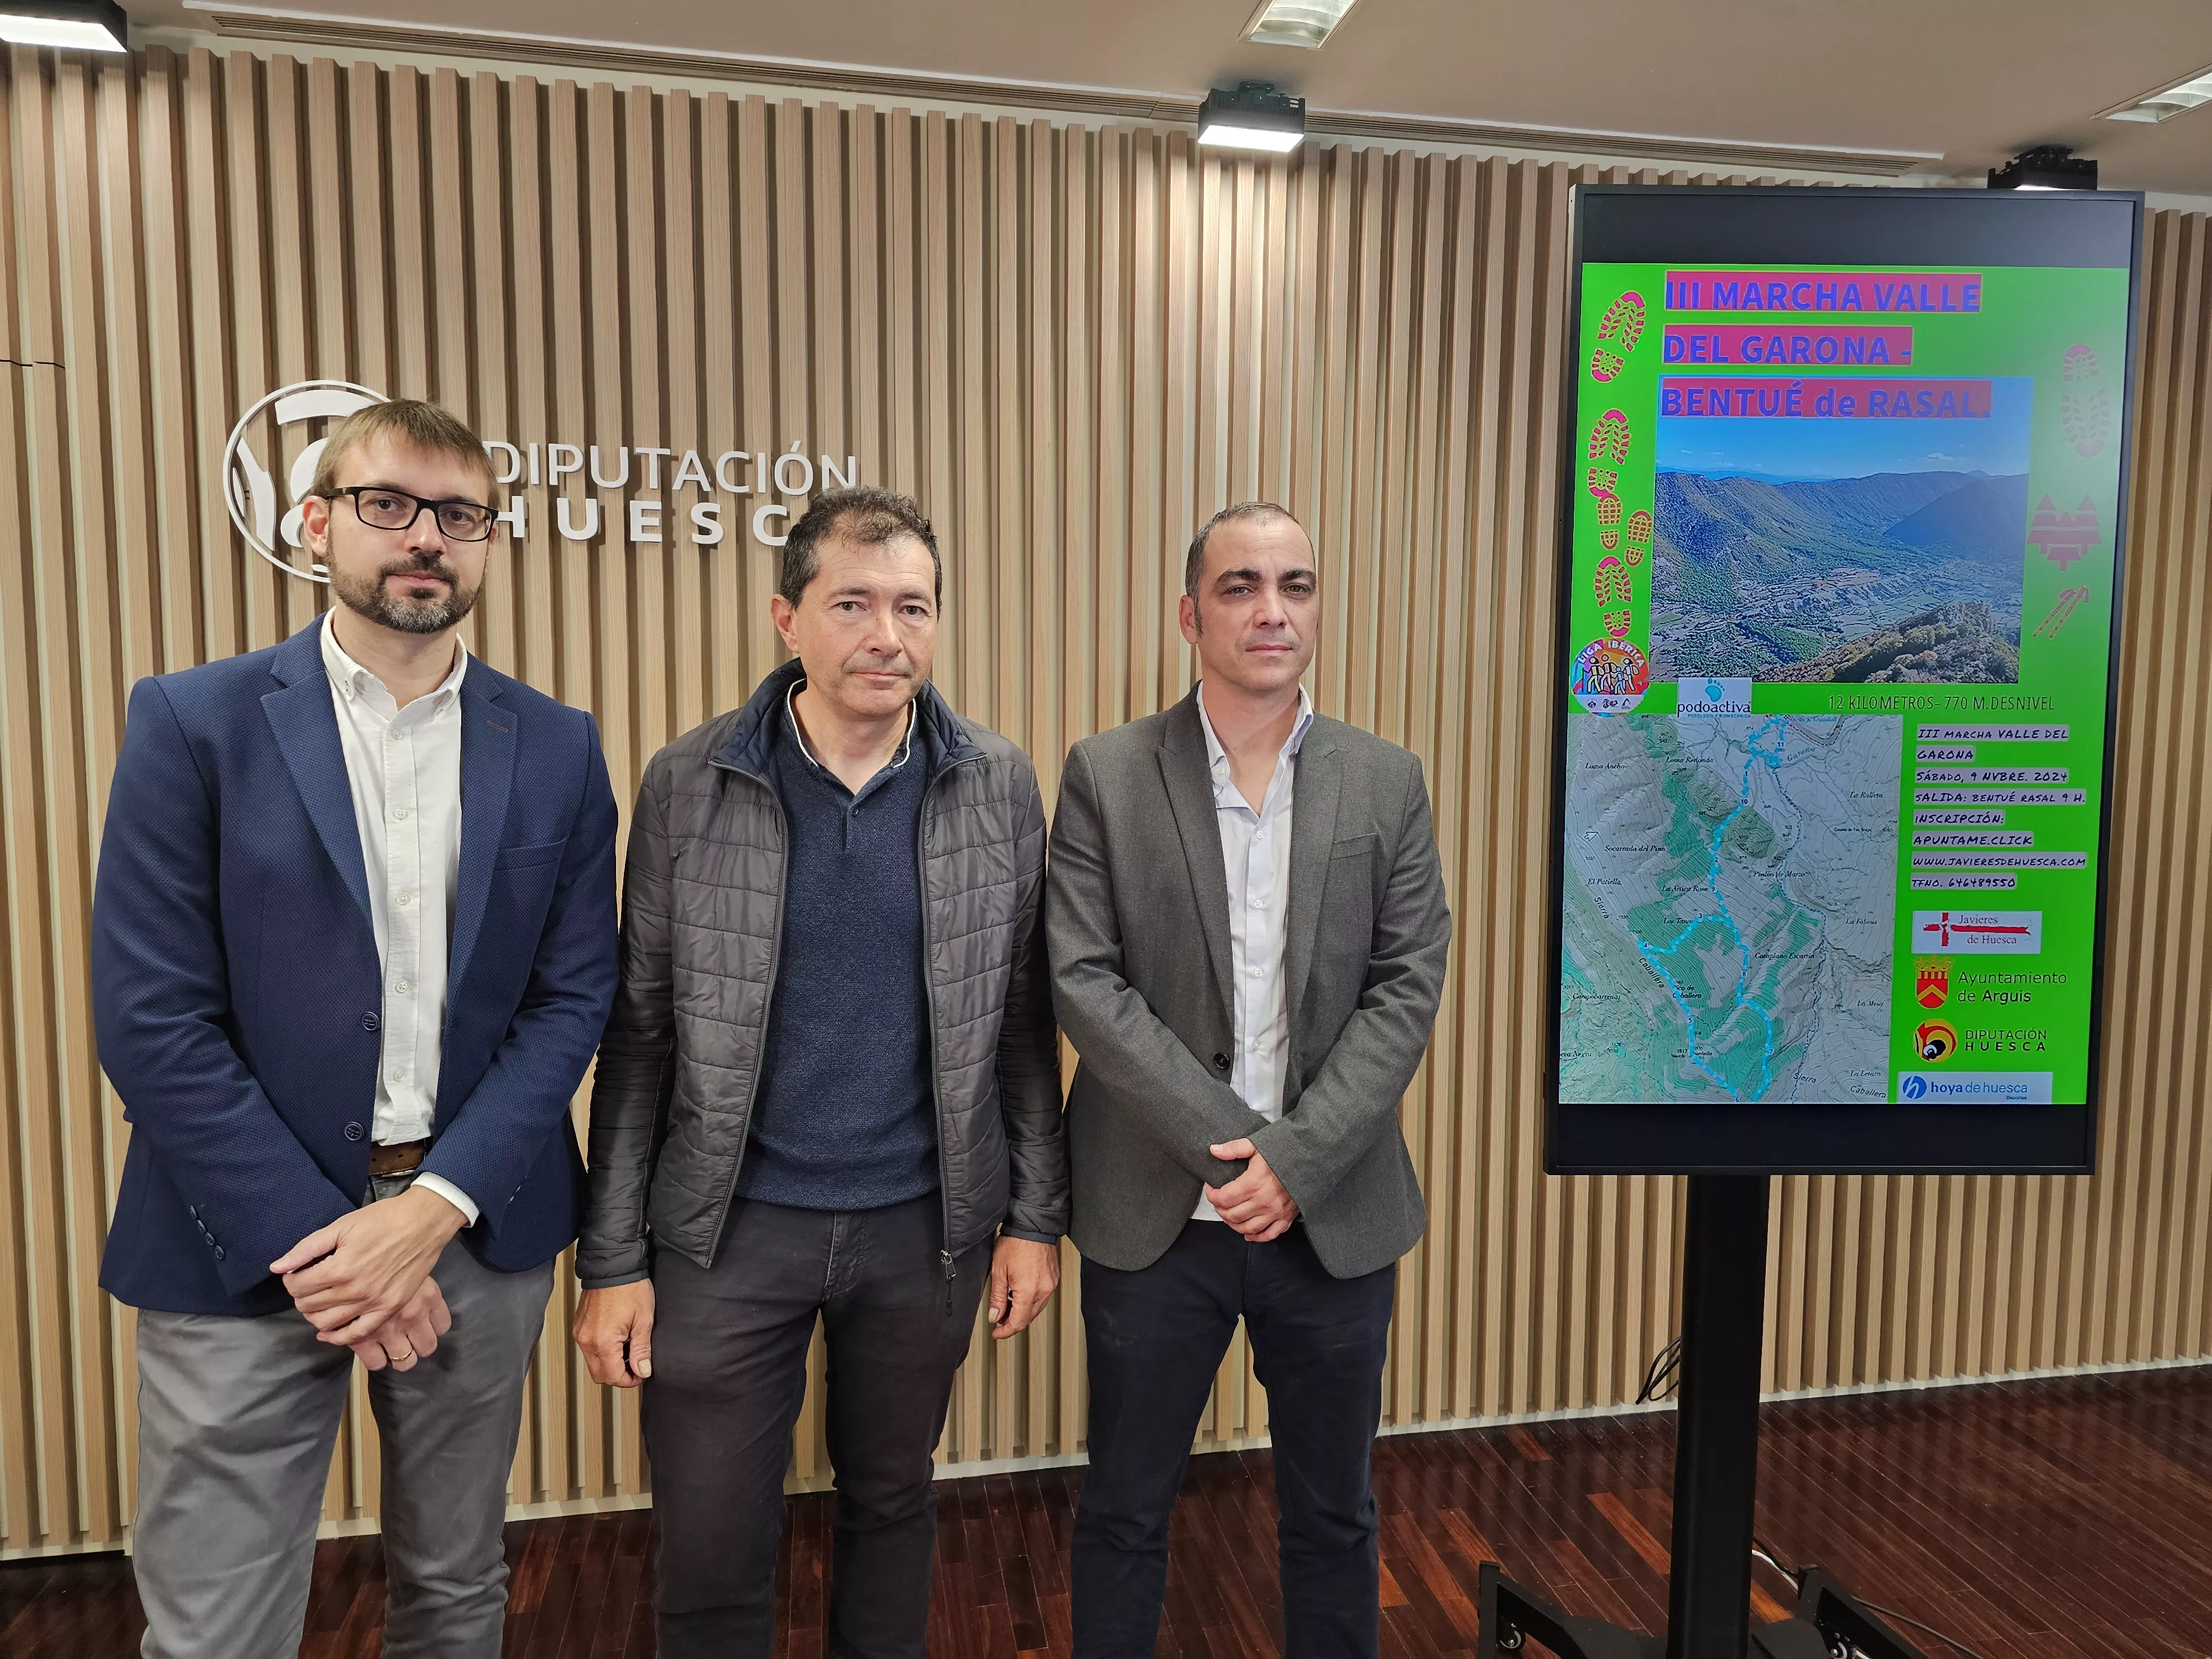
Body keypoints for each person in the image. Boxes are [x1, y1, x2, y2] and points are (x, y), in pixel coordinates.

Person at [92, 398, 620, 1659]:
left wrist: (428, 1212)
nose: (423, 538)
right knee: (217, 1625)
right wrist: (334, 1250)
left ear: (488, 540)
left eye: (456, 515)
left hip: (473, 1234)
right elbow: (151, 1015)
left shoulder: (555, 745)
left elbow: (570, 999)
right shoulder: (192, 721)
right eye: (388, 506)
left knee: (455, 1591)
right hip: (241, 1238)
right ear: (318, 522)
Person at [573, 487, 1066, 1657]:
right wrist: (611, 1258)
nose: (885, 635)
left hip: (922, 1227)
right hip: (725, 1230)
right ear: (787, 619)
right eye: (852, 603)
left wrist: (1033, 1219)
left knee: (894, 1503)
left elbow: (1019, 1025)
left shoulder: (993, 782)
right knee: (708, 1540)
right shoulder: (689, 782)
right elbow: (638, 1034)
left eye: (912, 606)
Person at [1049, 502, 1452, 1659]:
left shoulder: (1386, 781)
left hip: (1331, 1221)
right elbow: (1084, 982)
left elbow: (1406, 985)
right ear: (1189, 613)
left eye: (1294, 585)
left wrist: (1296, 1161)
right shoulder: (1106, 775)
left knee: (1333, 1514)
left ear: (1318, 607)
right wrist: (1241, 1152)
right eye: (1238, 586)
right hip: (1154, 1221)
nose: (1269, 610)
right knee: (1124, 1512)